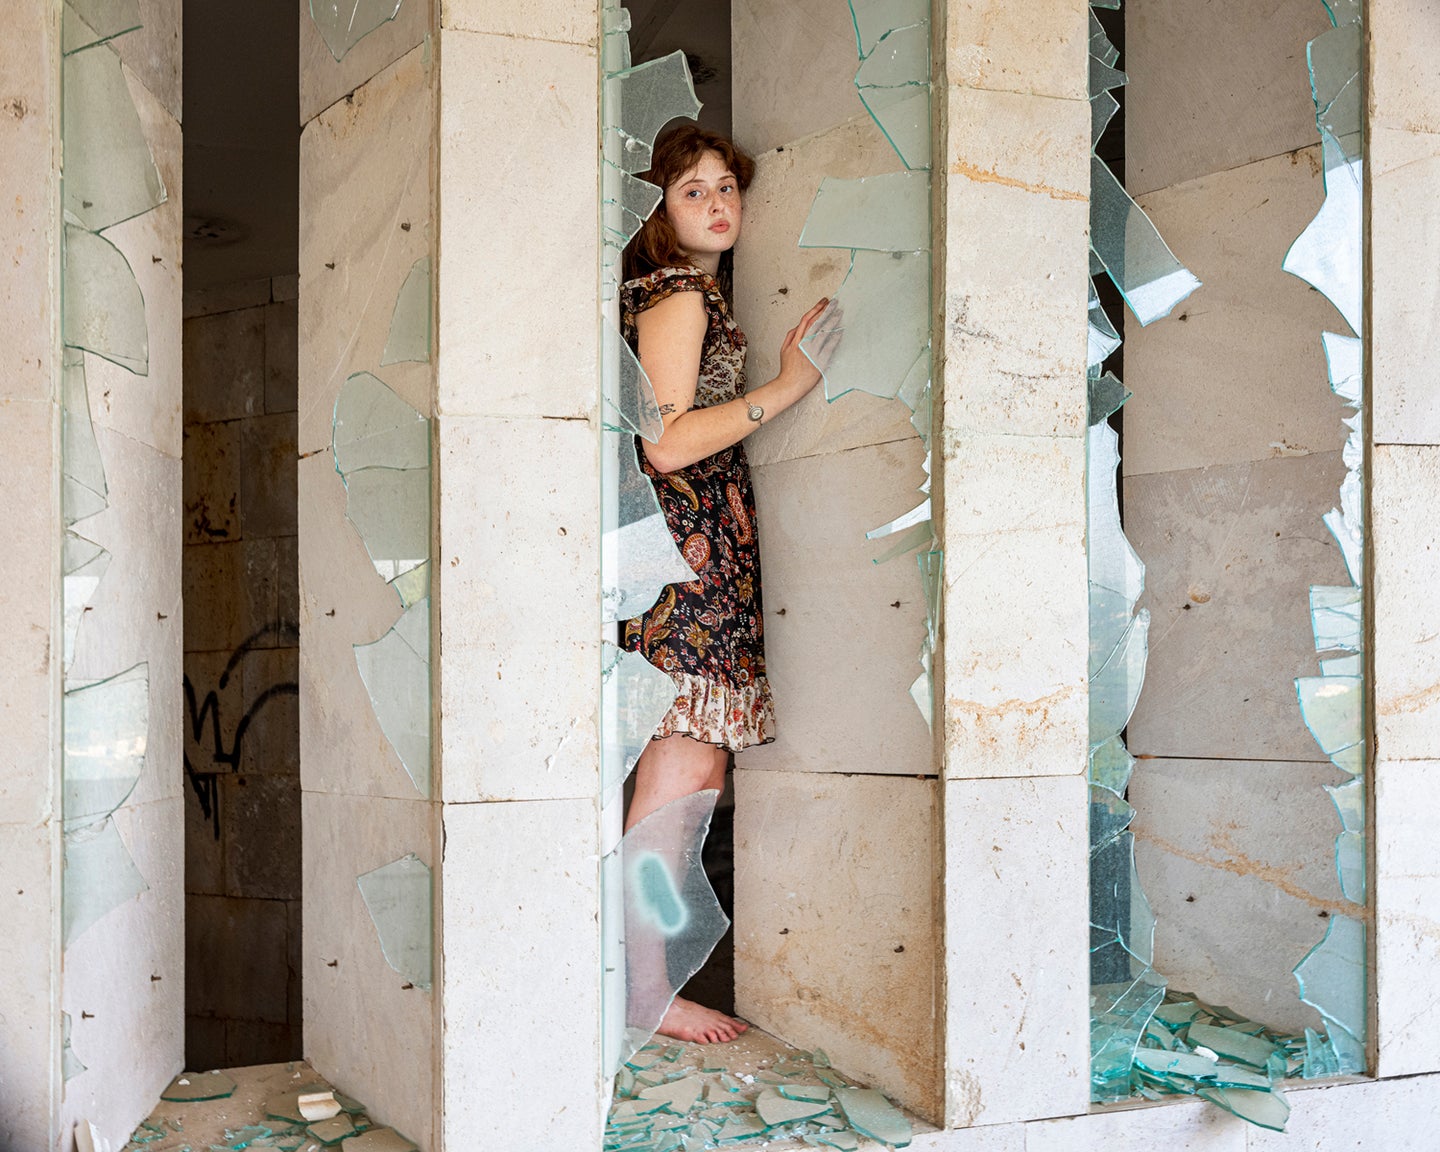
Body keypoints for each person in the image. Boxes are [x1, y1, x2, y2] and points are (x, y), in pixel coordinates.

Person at [620, 124, 836, 1045]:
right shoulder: (675, 296)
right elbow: (663, 442)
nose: (716, 204)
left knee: (694, 773)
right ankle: (642, 990)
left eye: (725, 188)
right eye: (691, 190)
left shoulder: (688, 293)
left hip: (700, 558)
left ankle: (646, 981)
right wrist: (787, 387)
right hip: (686, 564)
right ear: (658, 211)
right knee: (674, 786)